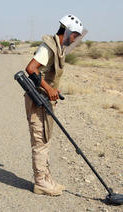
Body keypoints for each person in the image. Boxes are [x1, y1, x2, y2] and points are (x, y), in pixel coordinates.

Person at [24, 14, 85, 196]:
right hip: (38, 99)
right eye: (74, 36)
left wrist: (52, 90)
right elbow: (31, 68)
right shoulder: (48, 47)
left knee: (46, 138)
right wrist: (48, 89)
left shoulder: (58, 48)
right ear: (67, 32)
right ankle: (41, 182)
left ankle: (46, 177)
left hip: (45, 100)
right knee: (40, 140)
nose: (75, 40)